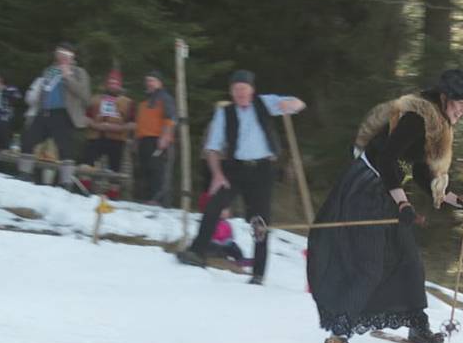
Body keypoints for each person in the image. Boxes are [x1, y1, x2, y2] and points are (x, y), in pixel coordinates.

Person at [305, 69, 463, 343]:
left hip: (387, 191)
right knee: (369, 266)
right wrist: (402, 202)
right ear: (445, 98)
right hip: (367, 189)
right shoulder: (417, 118)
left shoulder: (434, 121)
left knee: (408, 260)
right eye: (461, 102)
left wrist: (455, 199)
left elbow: (417, 169)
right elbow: (388, 160)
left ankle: (418, 326)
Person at [176, 69, 306, 285]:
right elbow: (213, 148)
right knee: (214, 206)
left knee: (260, 221)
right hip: (234, 169)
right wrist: (217, 175)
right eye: (236, 90)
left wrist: (289, 104)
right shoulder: (224, 113)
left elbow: (299, 104)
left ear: (252, 90)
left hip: (262, 169)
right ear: (231, 92)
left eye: (244, 89)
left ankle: (258, 273)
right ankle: (197, 253)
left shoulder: (265, 103)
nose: (240, 94)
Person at [18, 42, 91, 186]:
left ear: (72, 57)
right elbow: (42, 91)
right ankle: (24, 174)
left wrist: (67, 76)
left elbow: (84, 95)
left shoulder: (78, 72)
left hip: (63, 113)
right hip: (44, 112)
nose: (62, 57)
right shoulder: (49, 70)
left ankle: (65, 182)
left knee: (65, 148)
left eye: (66, 55)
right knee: (28, 140)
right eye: (59, 54)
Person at [133, 70, 175, 203]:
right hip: (143, 139)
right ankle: (148, 198)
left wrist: (166, 136)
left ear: (160, 83)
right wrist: (136, 140)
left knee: (156, 169)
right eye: (147, 81)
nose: (149, 83)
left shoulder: (164, 98)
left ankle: (158, 199)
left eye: (152, 80)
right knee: (145, 169)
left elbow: (170, 118)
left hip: (157, 139)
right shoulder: (145, 102)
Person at [84, 69, 134, 173]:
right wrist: (95, 125)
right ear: (106, 84)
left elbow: (133, 123)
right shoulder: (95, 99)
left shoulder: (127, 102)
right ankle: (84, 188)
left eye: (115, 83)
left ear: (119, 85)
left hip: (117, 139)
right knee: (88, 165)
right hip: (95, 137)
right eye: (110, 83)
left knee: (115, 169)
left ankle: (113, 189)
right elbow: (86, 118)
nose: (112, 85)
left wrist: (120, 128)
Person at [197, 192, 246, 264]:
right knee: (213, 247)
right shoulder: (212, 221)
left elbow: (230, 235)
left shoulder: (227, 224)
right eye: (223, 210)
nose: (226, 213)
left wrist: (229, 240)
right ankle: (217, 256)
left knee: (234, 247)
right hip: (214, 243)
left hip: (225, 245)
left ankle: (240, 259)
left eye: (227, 211)